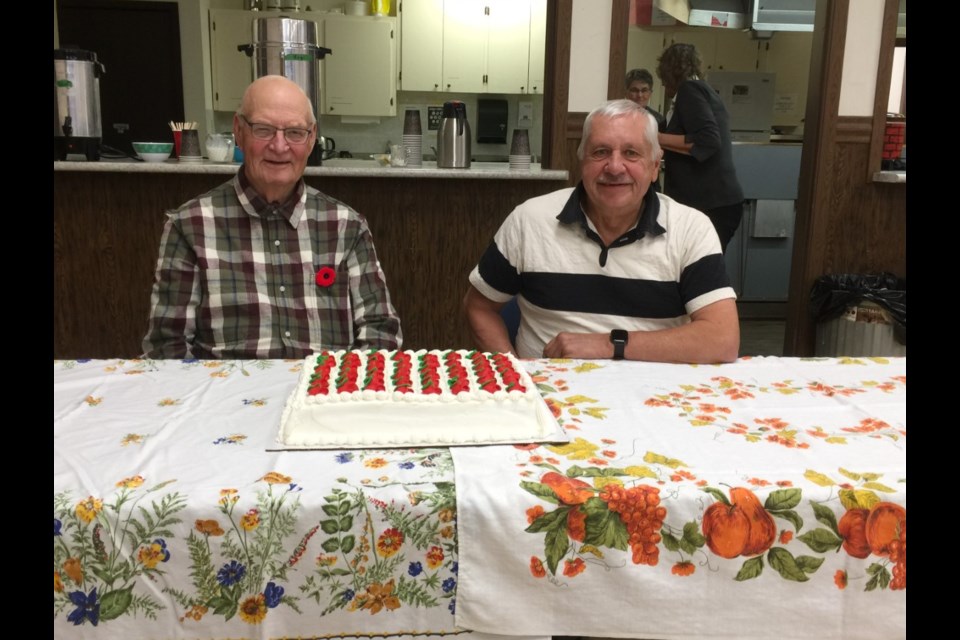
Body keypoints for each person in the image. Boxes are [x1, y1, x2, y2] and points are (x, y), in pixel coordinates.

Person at [142, 75, 401, 359]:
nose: (279, 146)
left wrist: (347, 391)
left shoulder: (347, 226)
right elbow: (167, 348)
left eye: (294, 132)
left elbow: (381, 332)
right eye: (263, 130)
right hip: (224, 397)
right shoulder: (190, 226)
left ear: (312, 138)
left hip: (323, 396)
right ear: (238, 131)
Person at [463, 99, 739, 364]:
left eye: (631, 153)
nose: (615, 167)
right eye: (600, 152)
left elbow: (722, 338)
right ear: (582, 161)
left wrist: (609, 344)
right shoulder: (529, 220)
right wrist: (515, 377)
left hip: (654, 400)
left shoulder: (691, 228)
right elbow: (479, 308)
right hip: (549, 398)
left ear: (655, 166)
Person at [656, 43, 744, 253]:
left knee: (698, 269)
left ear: (668, 71)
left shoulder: (689, 90)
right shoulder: (704, 90)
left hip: (710, 203)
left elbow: (708, 140)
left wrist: (654, 137)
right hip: (721, 201)